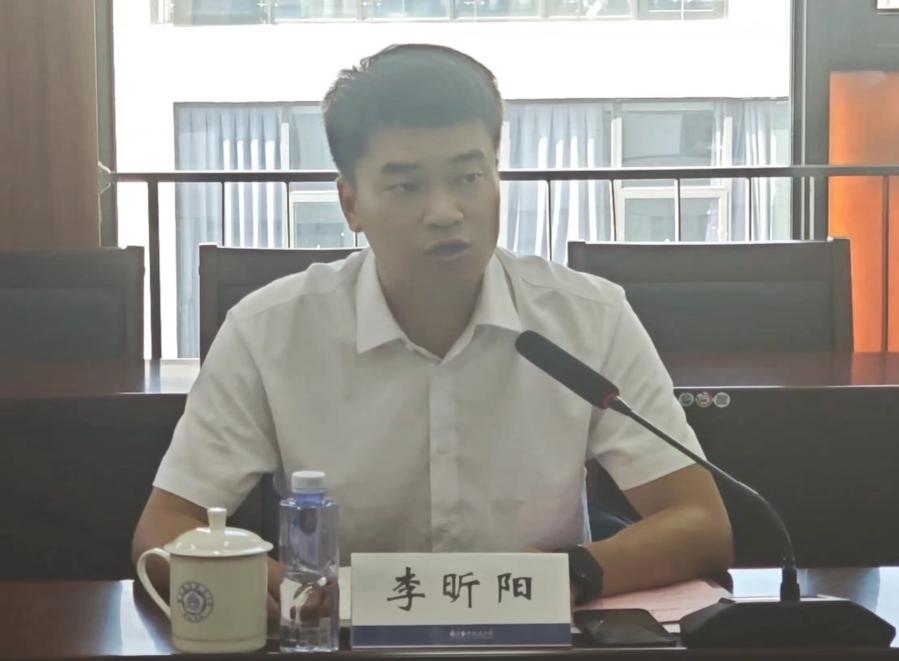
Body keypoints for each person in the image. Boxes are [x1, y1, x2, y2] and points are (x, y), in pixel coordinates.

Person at [132, 44, 732, 610]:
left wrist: (570, 575)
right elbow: (163, 531)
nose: (445, 212)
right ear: (351, 204)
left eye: (469, 178)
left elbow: (700, 522)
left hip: (534, 633)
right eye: (406, 186)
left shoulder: (590, 317)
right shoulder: (269, 331)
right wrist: (282, 592)